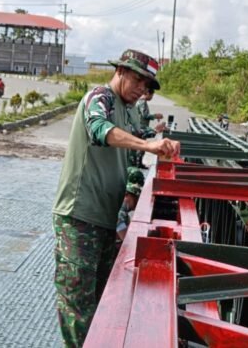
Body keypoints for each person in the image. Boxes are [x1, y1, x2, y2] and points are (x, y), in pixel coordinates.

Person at [51, 49, 180, 347]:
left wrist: (162, 144)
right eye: (138, 81)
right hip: (79, 217)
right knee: (77, 306)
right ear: (120, 71)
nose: (141, 91)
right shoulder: (101, 98)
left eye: (147, 87)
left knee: (100, 302)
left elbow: (141, 140)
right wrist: (148, 144)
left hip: (108, 219)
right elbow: (100, 131)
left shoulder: (131, 110)